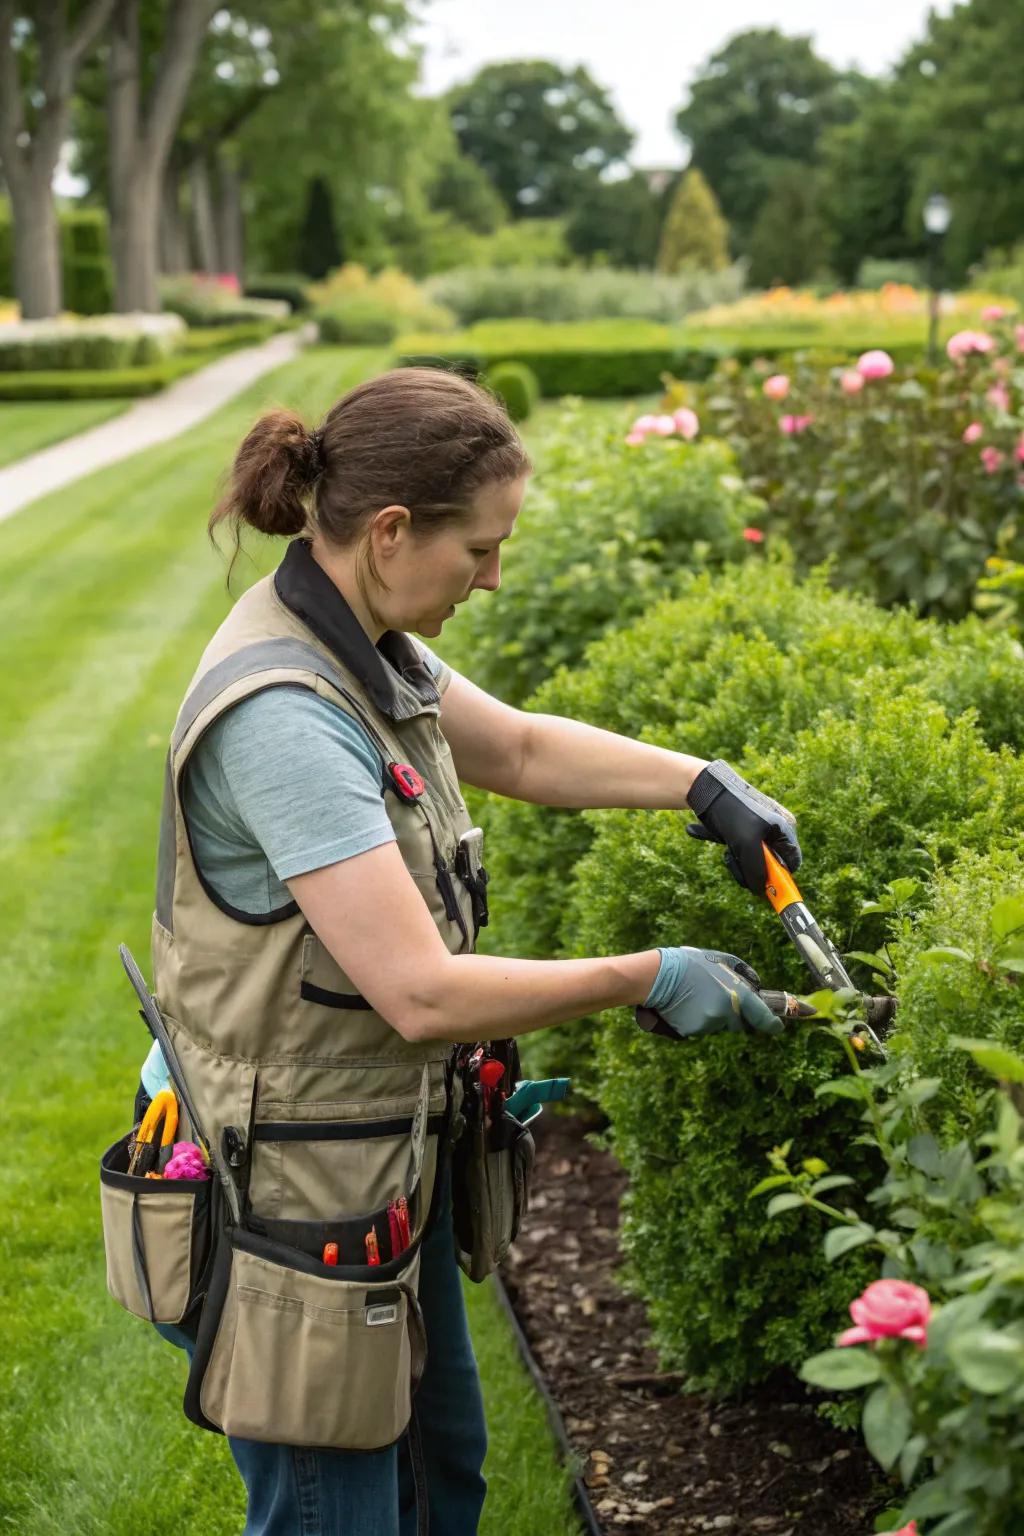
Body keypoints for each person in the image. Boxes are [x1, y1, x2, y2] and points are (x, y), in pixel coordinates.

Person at [137, 366, 800, 1536]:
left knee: (442, 1484)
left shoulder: (366, 638)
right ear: (390, 532)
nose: (493, 577)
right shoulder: (288, 712)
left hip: (375, 1155)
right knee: (334, 1513)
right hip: (289, 1192)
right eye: (480, 550)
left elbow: (528, 752)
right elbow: (419, 992)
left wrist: (701, 788)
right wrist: (647, 975)